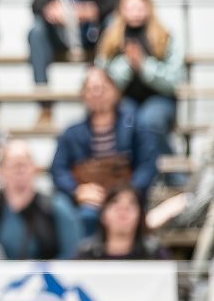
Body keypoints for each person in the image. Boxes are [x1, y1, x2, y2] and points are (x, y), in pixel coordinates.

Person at [51, 65, 161, 235]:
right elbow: (58, 170)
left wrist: (127, 193)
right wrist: (77, 191)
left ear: (114, 91)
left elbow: (148, 165)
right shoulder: (71, 133)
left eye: (102, 87)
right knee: (85, 218)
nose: (97, 93)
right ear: (84, 95)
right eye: (91, 88)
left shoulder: (135, 126)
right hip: (89, 201)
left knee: (128, 217)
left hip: (127, 197)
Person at [97, 0, 184, 145]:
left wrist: (144, 66)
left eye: (139, 7)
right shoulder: (110, 39)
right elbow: (103, 78)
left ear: (148, 8)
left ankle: (170, 167)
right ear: (121, 9)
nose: (135, 13)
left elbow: (175, 80)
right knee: (126, 121)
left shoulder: (164, 36)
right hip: (124, 100)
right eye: (130, 7)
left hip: (159, 98)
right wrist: (128, 64)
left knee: (150, 121)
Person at [0, 149, 81, 261]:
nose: (19, 169)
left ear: (34, 169)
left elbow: (72, 254)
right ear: (1, 171)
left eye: (24, 164)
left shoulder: (57, 207)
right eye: (13, 165)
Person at [75, 185, 160, 259]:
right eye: (115, 202)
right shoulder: (85, 254)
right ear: (103, 215)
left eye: (132, 203)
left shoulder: (155, 254)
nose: (123, 208)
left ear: (140, 216)